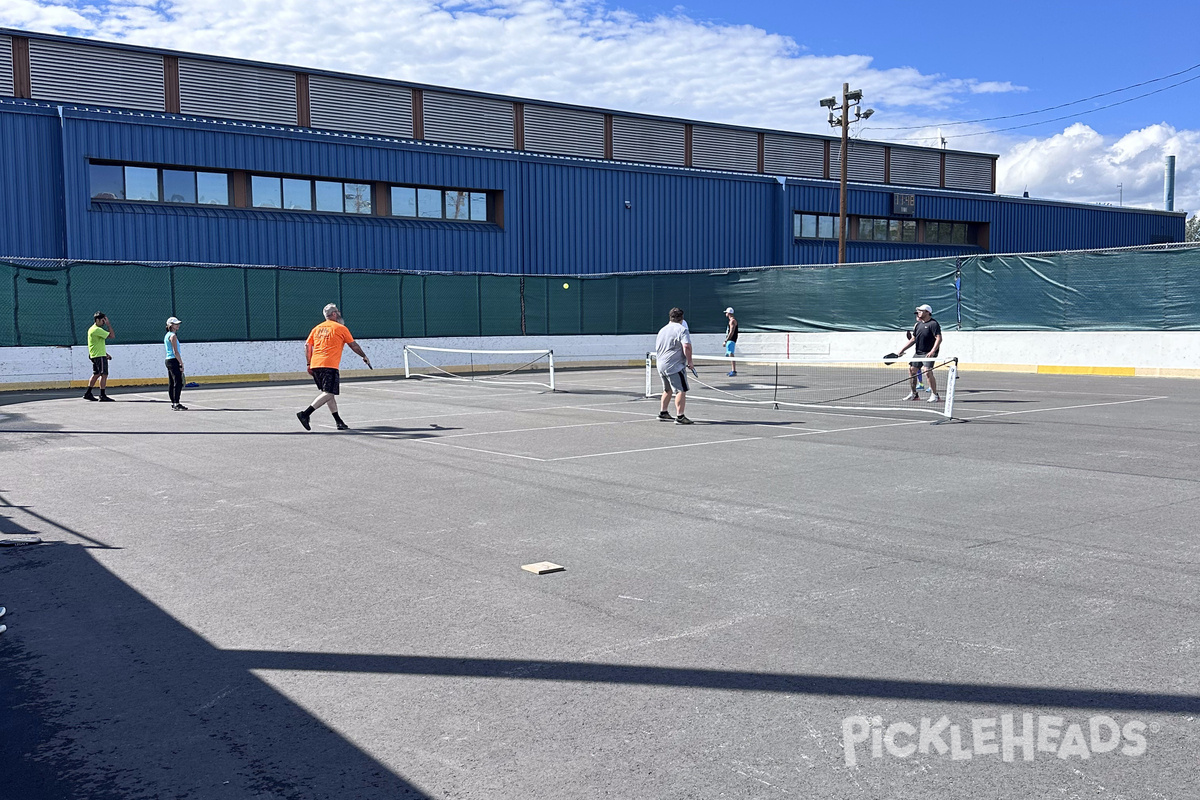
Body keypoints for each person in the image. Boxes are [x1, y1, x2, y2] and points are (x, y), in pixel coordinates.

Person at [297, 303, 371, 431]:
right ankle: (305, 414)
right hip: (329, 365)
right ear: (334, 314)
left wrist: (309, 363)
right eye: (338, 311)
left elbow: (307, 346)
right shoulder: (340, 328)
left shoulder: (316, 328)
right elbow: (353, 345)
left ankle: (339, 421)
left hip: (316, 365)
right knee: (329, 393)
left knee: (328, 394)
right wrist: (364, 356)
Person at [655, 307, 695, 425]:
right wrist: (690, 362)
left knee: (667, 389)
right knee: (681, 390)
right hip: (674, 365)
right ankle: (680, 416)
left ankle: (663, 412)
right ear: (681, 318)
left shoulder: (662, 330)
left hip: (661, 364)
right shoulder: (682, 330)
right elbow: (686, 346)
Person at [897, 303, 942, 403]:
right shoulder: (918, 325)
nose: (918, 313)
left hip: (929, 353)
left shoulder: (933, 324)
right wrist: (902, 350)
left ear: (928, 312)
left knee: (927, 371)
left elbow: (939, 338)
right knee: (912, 370)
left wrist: (933, 351)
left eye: (920, 311)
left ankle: (935, 395)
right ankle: (914, 394)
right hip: (918, 352)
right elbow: (913, 339)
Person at [84, 311, 116, 402]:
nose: (104, 322)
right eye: (103, 320)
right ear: (97, 320)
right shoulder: (97, 330)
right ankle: (102, 395)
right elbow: (112, 335)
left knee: (96, 374)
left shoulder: (92, 329)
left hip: (96, 354)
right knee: (104, 374)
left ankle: (88, 393)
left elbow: (97, 344)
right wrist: (109, 325)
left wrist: (105, 354)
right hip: (99, 356)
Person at [164, 316, 187, 411]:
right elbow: (175, 352)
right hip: (173, 360)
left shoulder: (167, 335)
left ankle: (174, 402)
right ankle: (176, 403)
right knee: (178, 382)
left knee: (172, 382)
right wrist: (181, 363)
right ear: (171, 325)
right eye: (175, 324)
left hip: (169, 360)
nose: (178, 325)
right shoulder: (173, 336)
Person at [723, 307, 738, 377]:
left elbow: (731, 332)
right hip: (730, 340)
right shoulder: (731, 321)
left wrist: (726, 340)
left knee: (731, 355)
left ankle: (734, 370)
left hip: (731, 340)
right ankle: (733, 370)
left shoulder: (732, 321)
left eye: (726, 312)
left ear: (728, 313)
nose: (725, 314)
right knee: (729, 354)